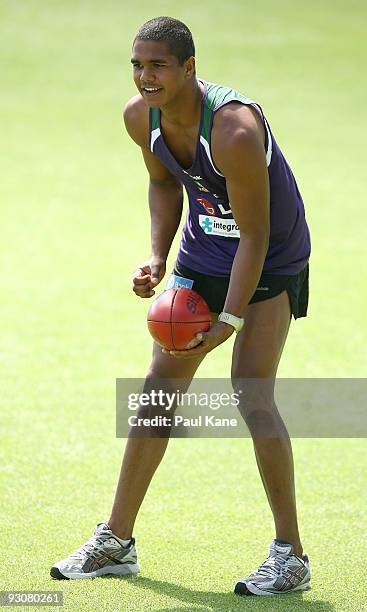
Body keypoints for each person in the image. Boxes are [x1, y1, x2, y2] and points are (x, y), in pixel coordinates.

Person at [51, 16, 311, 596]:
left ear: (189, 67)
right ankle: (116, 540)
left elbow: (256, 234)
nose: (146, 77)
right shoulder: (140, 118)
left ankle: (290, 556)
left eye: (159, 65)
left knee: (251, 392)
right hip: (204, 252)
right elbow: (166, 183)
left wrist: (231, 319)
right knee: (159, 389)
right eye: (138, 65)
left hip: (269, 256)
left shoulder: (235, 130)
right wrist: (157, 257)